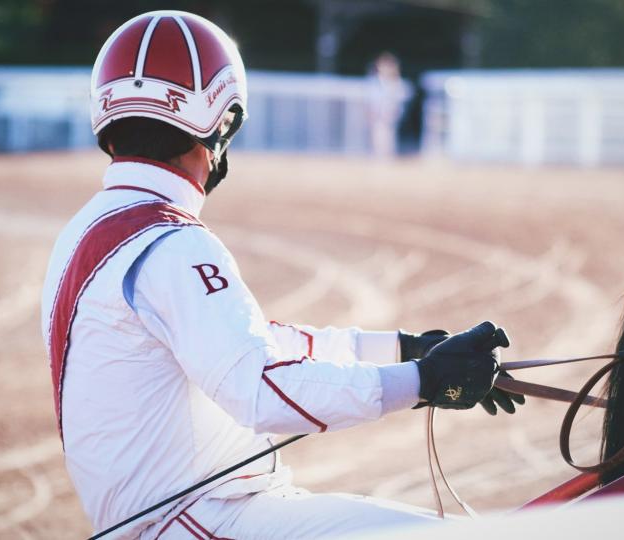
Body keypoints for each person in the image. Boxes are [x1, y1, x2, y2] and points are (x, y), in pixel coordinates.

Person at [41, 10, 523, 539]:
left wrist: (405, 348)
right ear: (221, 123)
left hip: (181, 515)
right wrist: (425, 382)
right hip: (201, 518)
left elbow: (256, 344)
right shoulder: (172, 242)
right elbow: (260, 388)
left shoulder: (89, 229)